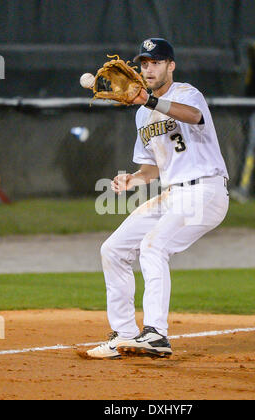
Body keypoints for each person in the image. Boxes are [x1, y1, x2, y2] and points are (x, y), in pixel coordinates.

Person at [79, 38, 229, 360]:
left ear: (171, 66)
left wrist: (149, 101)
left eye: (157, 62)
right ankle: (124, 335)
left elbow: (193, 117)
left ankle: (157, 334)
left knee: (153, 246)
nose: (149, 68)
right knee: (113, 249)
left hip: (206, 190)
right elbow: (151, 168)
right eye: (144, 63)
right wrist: (133, 179)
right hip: (174, 192)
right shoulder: (141, 116)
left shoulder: (187, 94)